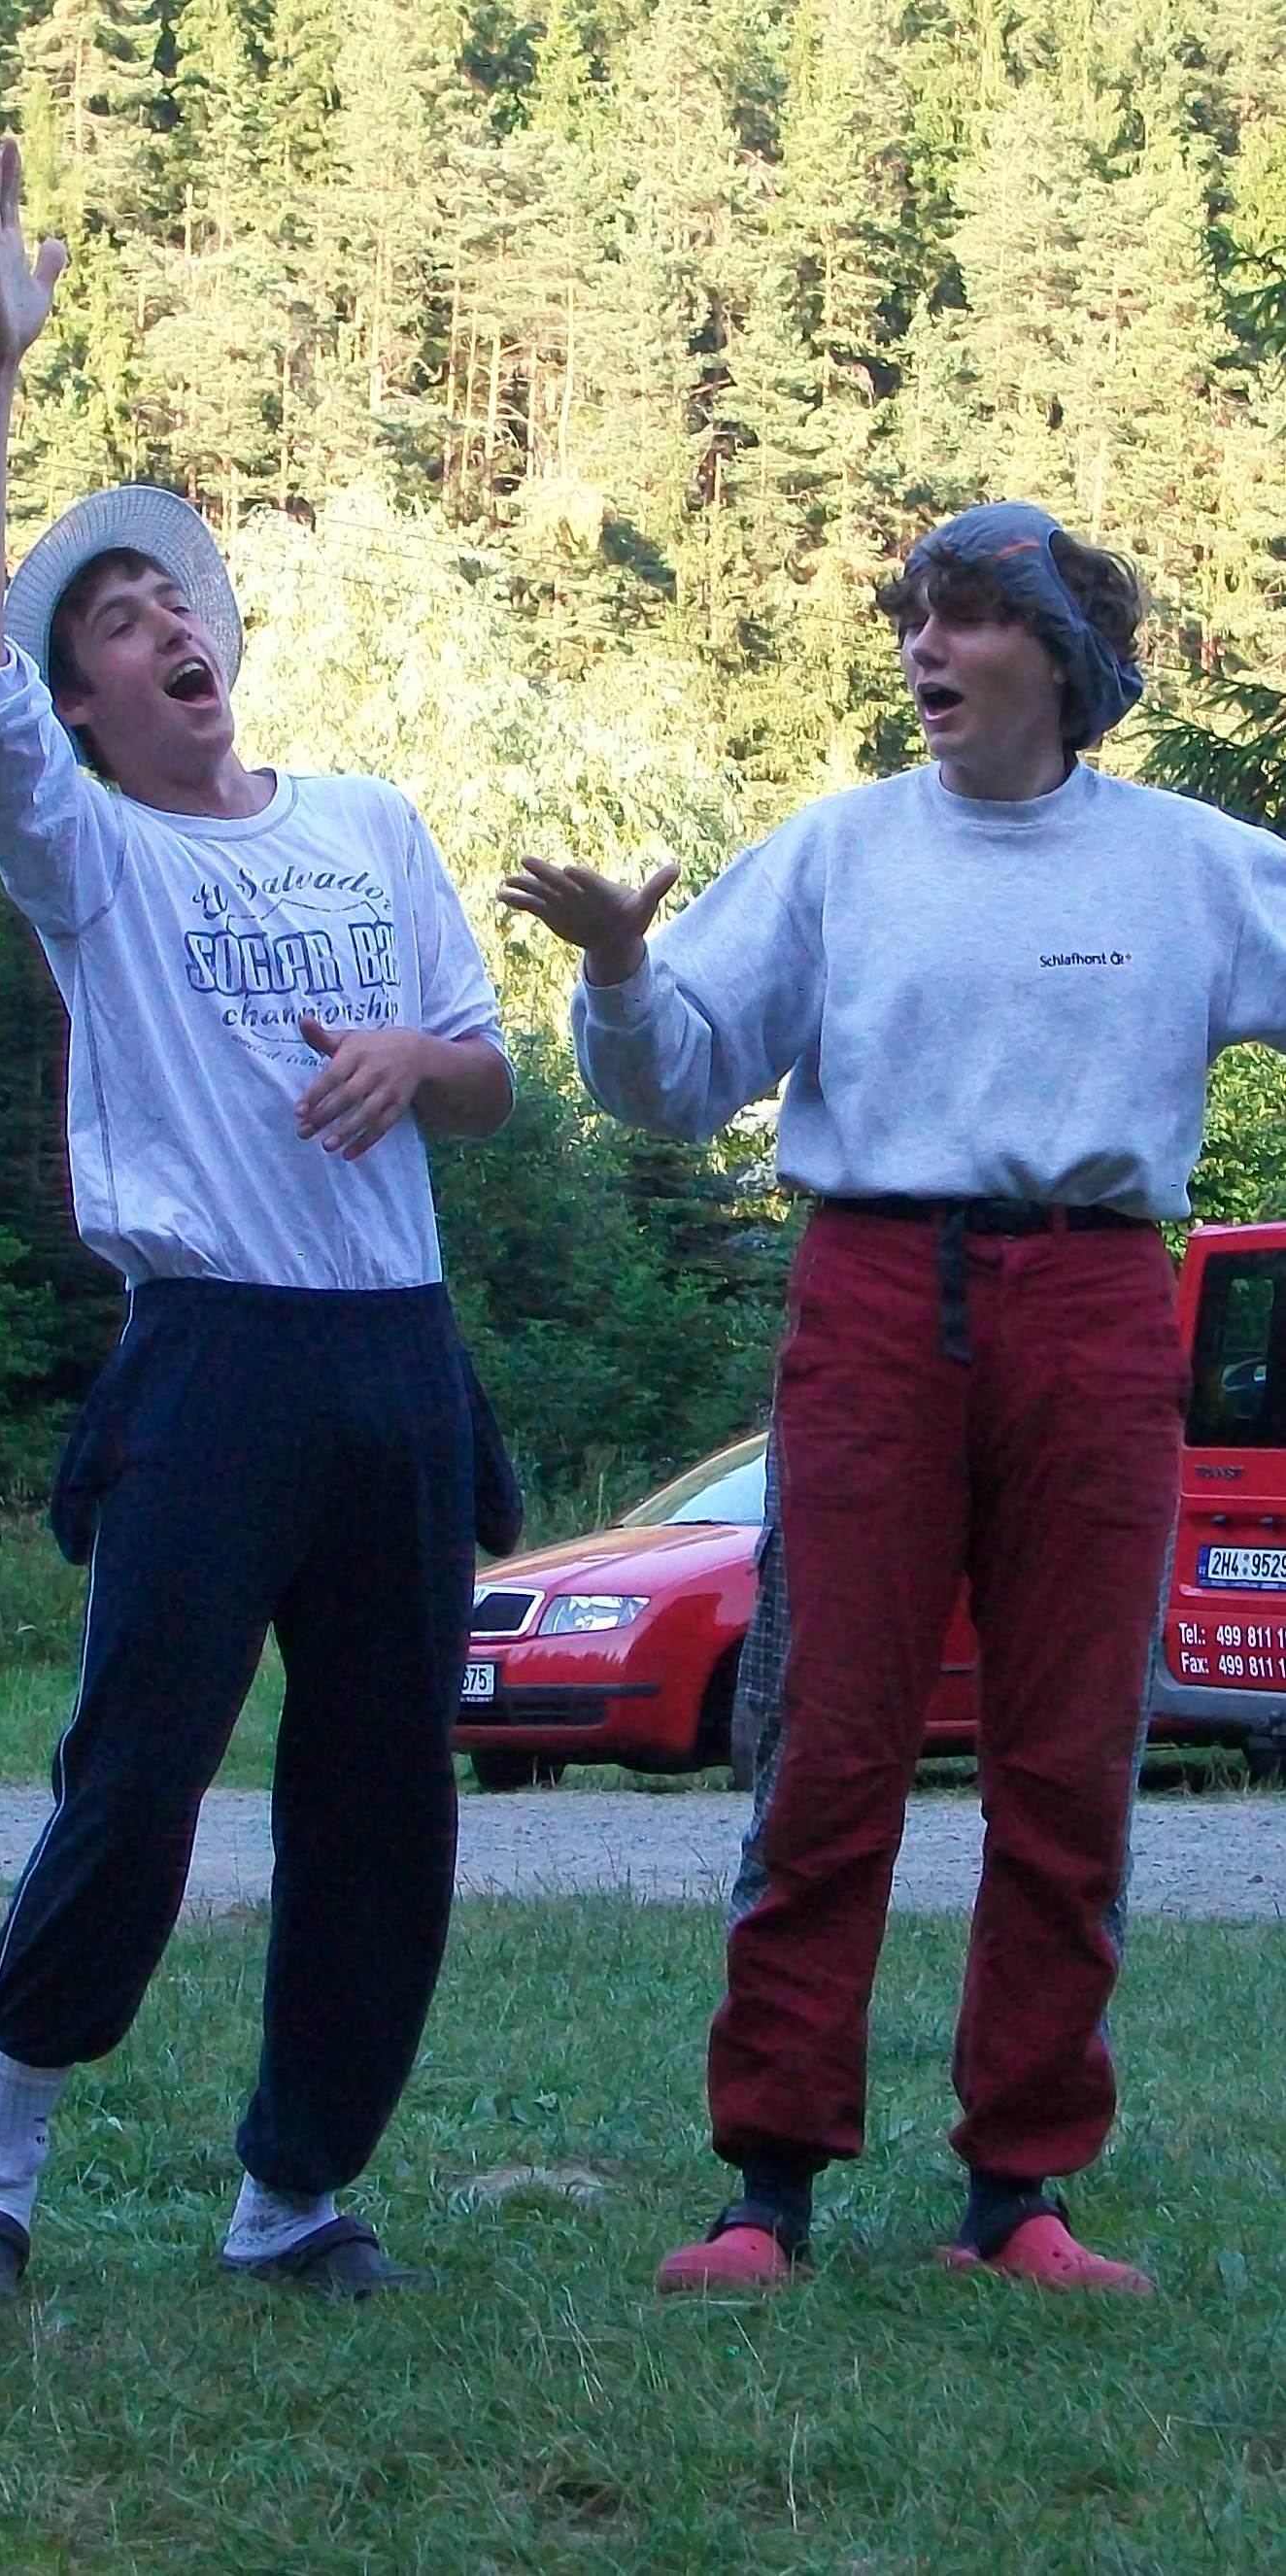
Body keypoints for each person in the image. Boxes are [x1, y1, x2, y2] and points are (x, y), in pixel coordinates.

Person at [503, 498, 1286, 2297]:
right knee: (830, 1734)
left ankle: (1019, 2191)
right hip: (871, 1295)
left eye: (965, 619)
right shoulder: (838, 853)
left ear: (1061, 660)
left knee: (1069, 1752)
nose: (924, 649)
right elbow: (669, 1081)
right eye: (912, 618)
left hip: (1097, 1300)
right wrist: (617, 968)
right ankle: (764, 2189)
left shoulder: (1187, 865)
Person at [0, 139, 518, 2304]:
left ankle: (292, 2198)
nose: (163, 627)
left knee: (382, 1795)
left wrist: (412, 1060)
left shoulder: (366, 824)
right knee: (137, 1770)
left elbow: (489, 1071)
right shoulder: (88, 853)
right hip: (214, 1358)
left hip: (395, 1351)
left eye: (172, 604)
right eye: (113, 622)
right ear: (75, 707)